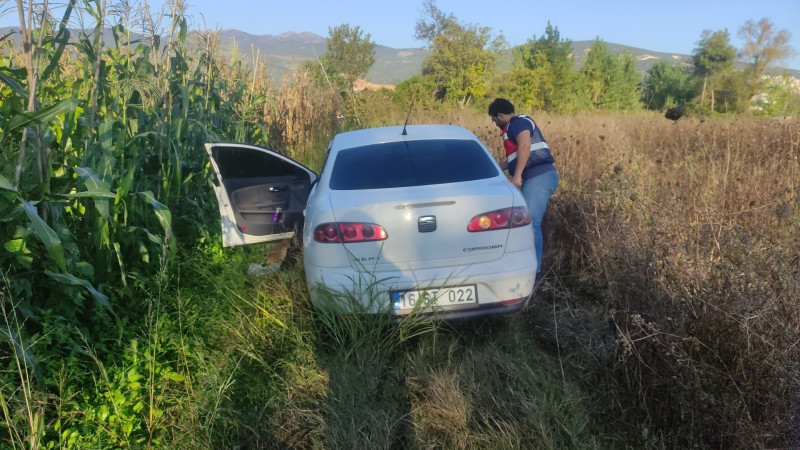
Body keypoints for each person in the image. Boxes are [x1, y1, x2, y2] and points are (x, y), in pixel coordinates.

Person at [488, 98, 558, 275]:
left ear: (501, 115)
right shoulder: (515, 124)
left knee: (530, 224)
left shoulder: (517, 124)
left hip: (539, 177)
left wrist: (517, 175)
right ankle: (527, 266)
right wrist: (497, 167)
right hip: (538, 177)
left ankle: (535, 272)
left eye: (494, 119)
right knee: (525, 223)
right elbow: (516, 155)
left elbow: (525, 146)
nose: (494, 123)